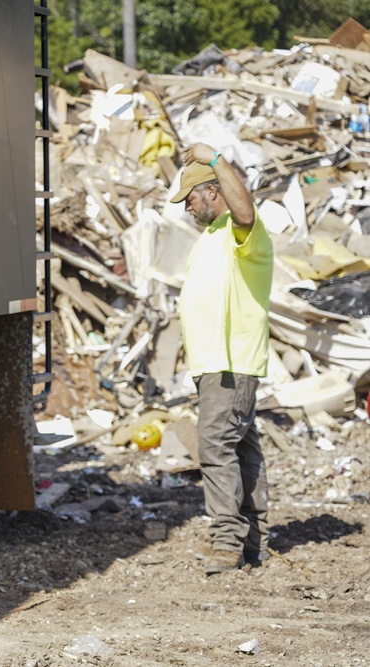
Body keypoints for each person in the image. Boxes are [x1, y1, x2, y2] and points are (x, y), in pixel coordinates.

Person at [170, 143, 274, 574]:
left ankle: (227, 543)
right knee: (241, 448)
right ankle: (253, 541)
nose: (188, 208)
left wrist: (214, 158)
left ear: (214, 192)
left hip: (231, 364)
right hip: (216, 365)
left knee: (215, 447)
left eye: (191, 198)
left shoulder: (241, 230)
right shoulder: (212, 237)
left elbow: (245, 210)